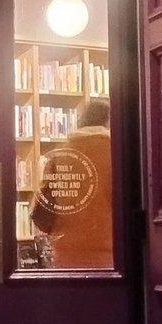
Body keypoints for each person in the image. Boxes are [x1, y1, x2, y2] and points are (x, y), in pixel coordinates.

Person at [30, 98, 113, 269]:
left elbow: (42, 213)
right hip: (111, 256)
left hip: (67, 257)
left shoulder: (60, 155)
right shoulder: (118, 151)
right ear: (108, 121)